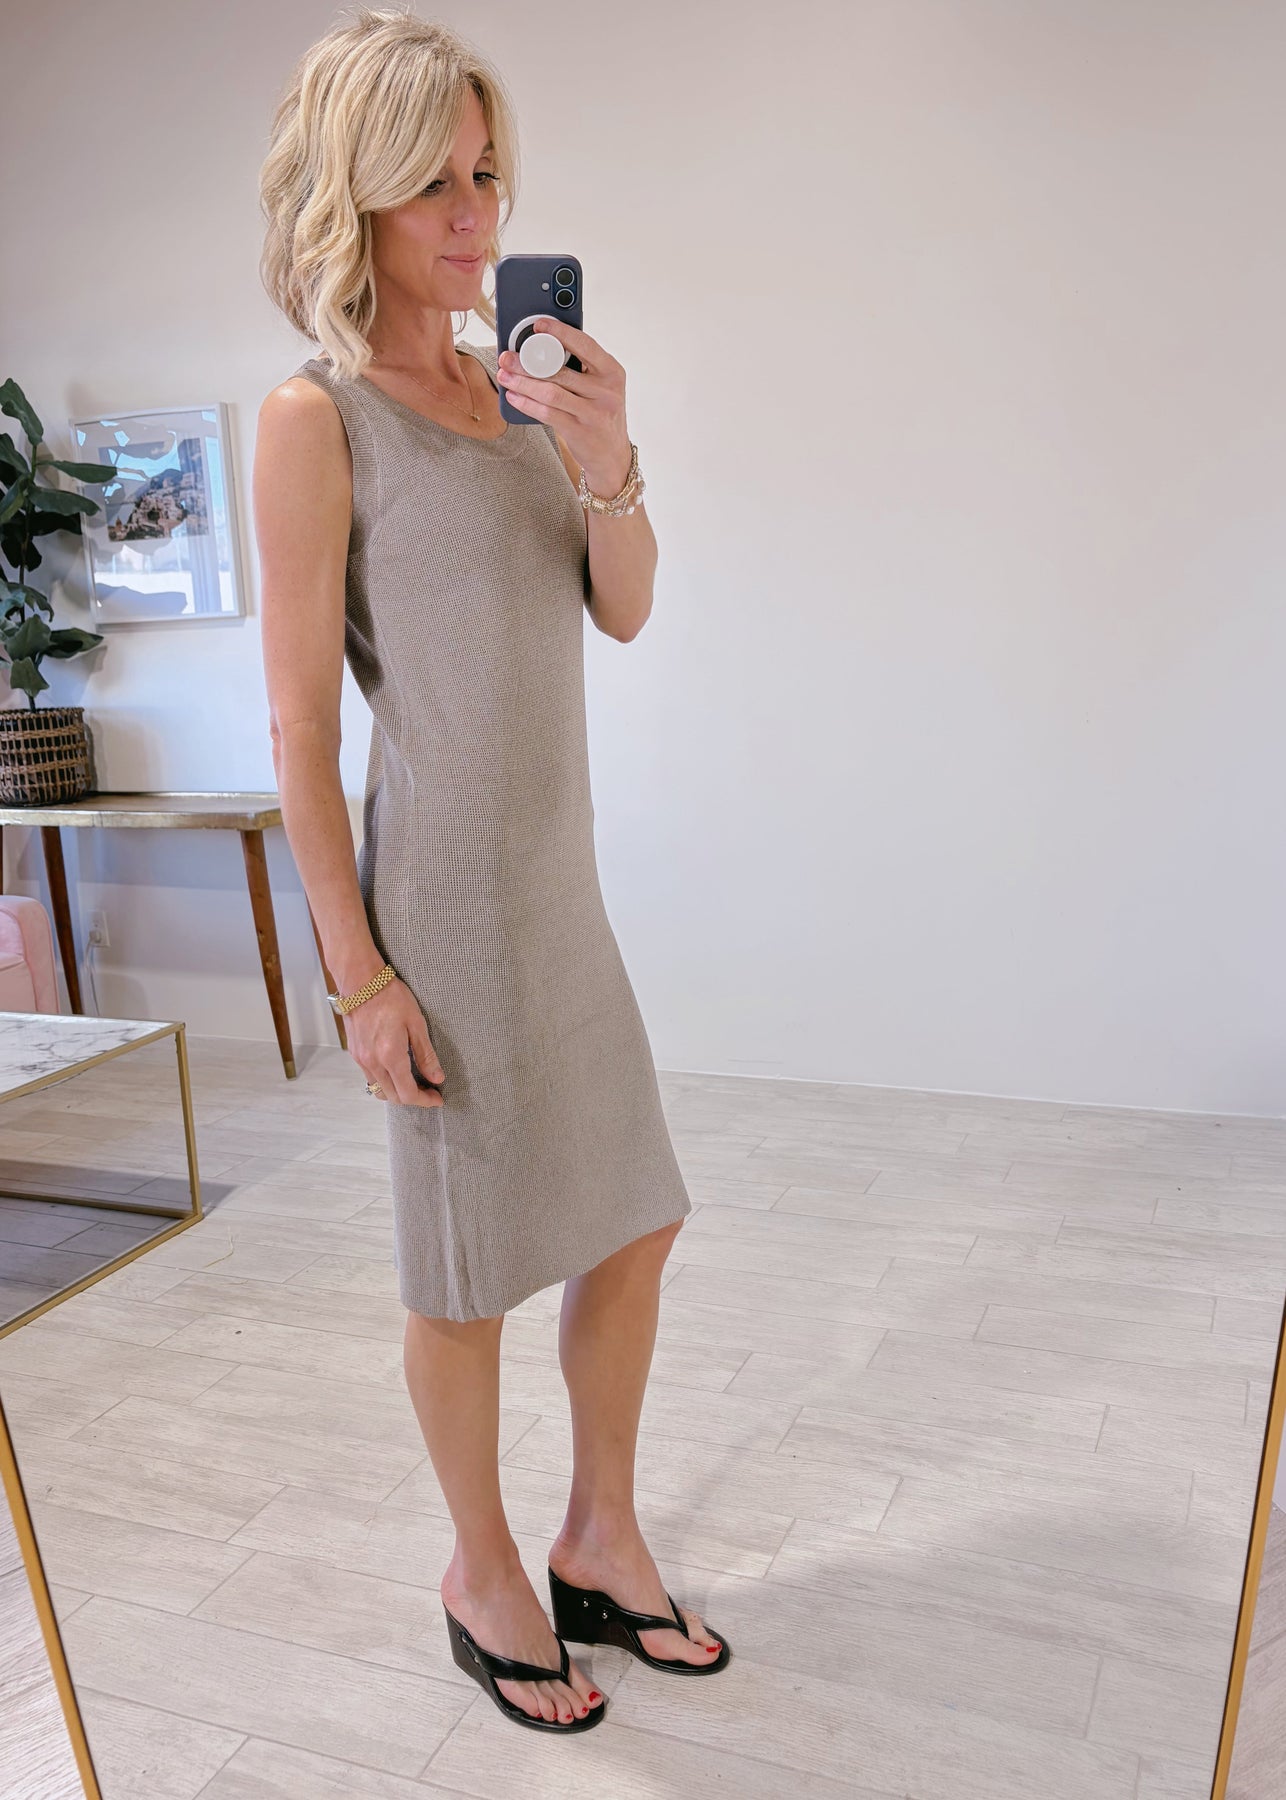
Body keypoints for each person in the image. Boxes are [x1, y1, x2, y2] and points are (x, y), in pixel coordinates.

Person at [252, 7, 729, 1735]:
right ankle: (482, 1570)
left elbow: (626, 606)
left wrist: (607, 457)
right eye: (434, 184)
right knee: (462, 1278)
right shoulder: (316, 419)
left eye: (488, 175)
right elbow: (300, 726)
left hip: (557, 893)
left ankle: (598, 1534)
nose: (475, 214)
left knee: (635, 1214)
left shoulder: (527, 395)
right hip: (440, 911)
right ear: (354, 198)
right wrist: (358, 976)